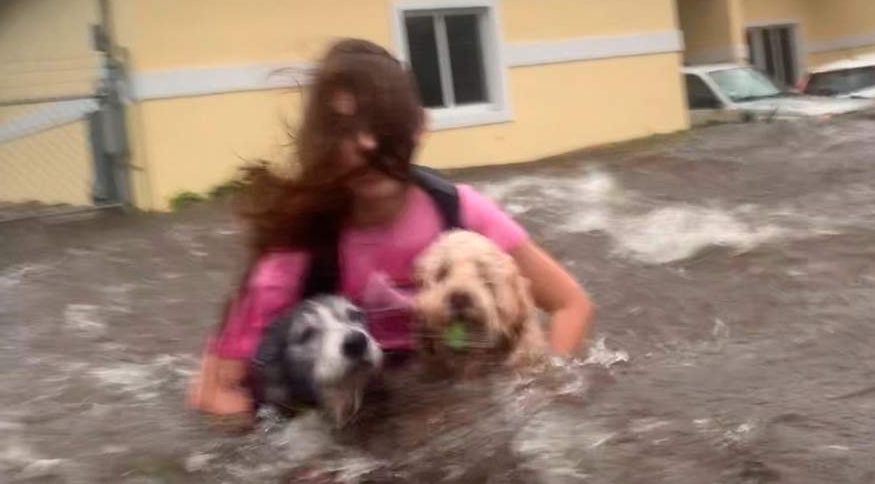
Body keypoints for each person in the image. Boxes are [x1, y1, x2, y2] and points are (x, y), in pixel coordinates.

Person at [187, 38, 593, 417]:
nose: (365, 143)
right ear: (321, 143)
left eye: (380, 122)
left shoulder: (461, 212)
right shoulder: (296, 251)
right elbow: (215, 393)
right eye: (344, 129)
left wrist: (540, 396)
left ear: (418, 126)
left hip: (446, 401)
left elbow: (570, 304)